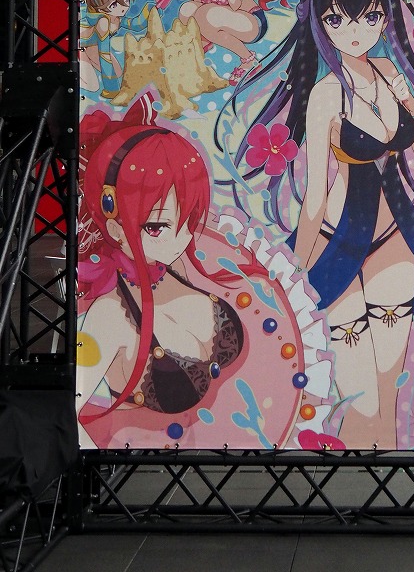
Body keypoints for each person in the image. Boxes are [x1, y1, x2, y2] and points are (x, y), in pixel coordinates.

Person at [229, 0, 414, 447]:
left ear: (385, 15)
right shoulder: (326, 95)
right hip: (338, 244)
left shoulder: (389, 73)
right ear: (319, 23)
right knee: (359, 394)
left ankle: (384, 475)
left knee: (387, 385)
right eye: (336, 19)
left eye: (369, 16)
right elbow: (315, 198)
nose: (356, 31)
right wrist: (295, 272)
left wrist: (410, 104)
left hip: (394, 238)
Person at [76, 95, 310, 449]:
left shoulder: (176, 266)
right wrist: (100, 469)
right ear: (114, 226)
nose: (179, 238)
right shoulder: (109, 315)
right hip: (149, 476)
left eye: (189, 220)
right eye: (156, 227)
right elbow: (64, 414)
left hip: (243, 458)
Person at [80, 0, 150, 97]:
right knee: (92, 85)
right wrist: (111, 89)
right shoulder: (103, 22)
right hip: (79, 48)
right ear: (99, 3)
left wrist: (149, 11)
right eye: (114, 3)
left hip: (92, 47)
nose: (124, 6)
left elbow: (135, 25)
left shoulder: (115, 18)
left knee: (119, 73)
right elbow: (104, 54)